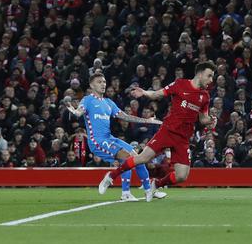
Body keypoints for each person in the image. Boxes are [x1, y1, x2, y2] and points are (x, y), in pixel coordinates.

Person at [99, 61, 218, 199]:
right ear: (200, 73)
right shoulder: (180, 84)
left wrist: (210, 120)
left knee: (181, 176)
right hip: (167, 131)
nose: (210, 80)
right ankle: (111, 176)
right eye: (209, 76)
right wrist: (144, 92)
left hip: (183, 138)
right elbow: (157, 94)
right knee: (142, 158)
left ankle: (156, 183)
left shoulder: (205, 96)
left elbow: (203, 119)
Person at [65, 72, 165, 201]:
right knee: (127, 157)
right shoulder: (87, 100)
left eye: (104, 82)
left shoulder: (108, 103)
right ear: (91, 85)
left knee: (138, 157)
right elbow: (79, 112)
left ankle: (148, 190)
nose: (103, 84)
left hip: (109, 138)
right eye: (99, 82)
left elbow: (126, 117)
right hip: (97, 141)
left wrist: (147, 121)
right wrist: (75, 112)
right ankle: (125, 192)